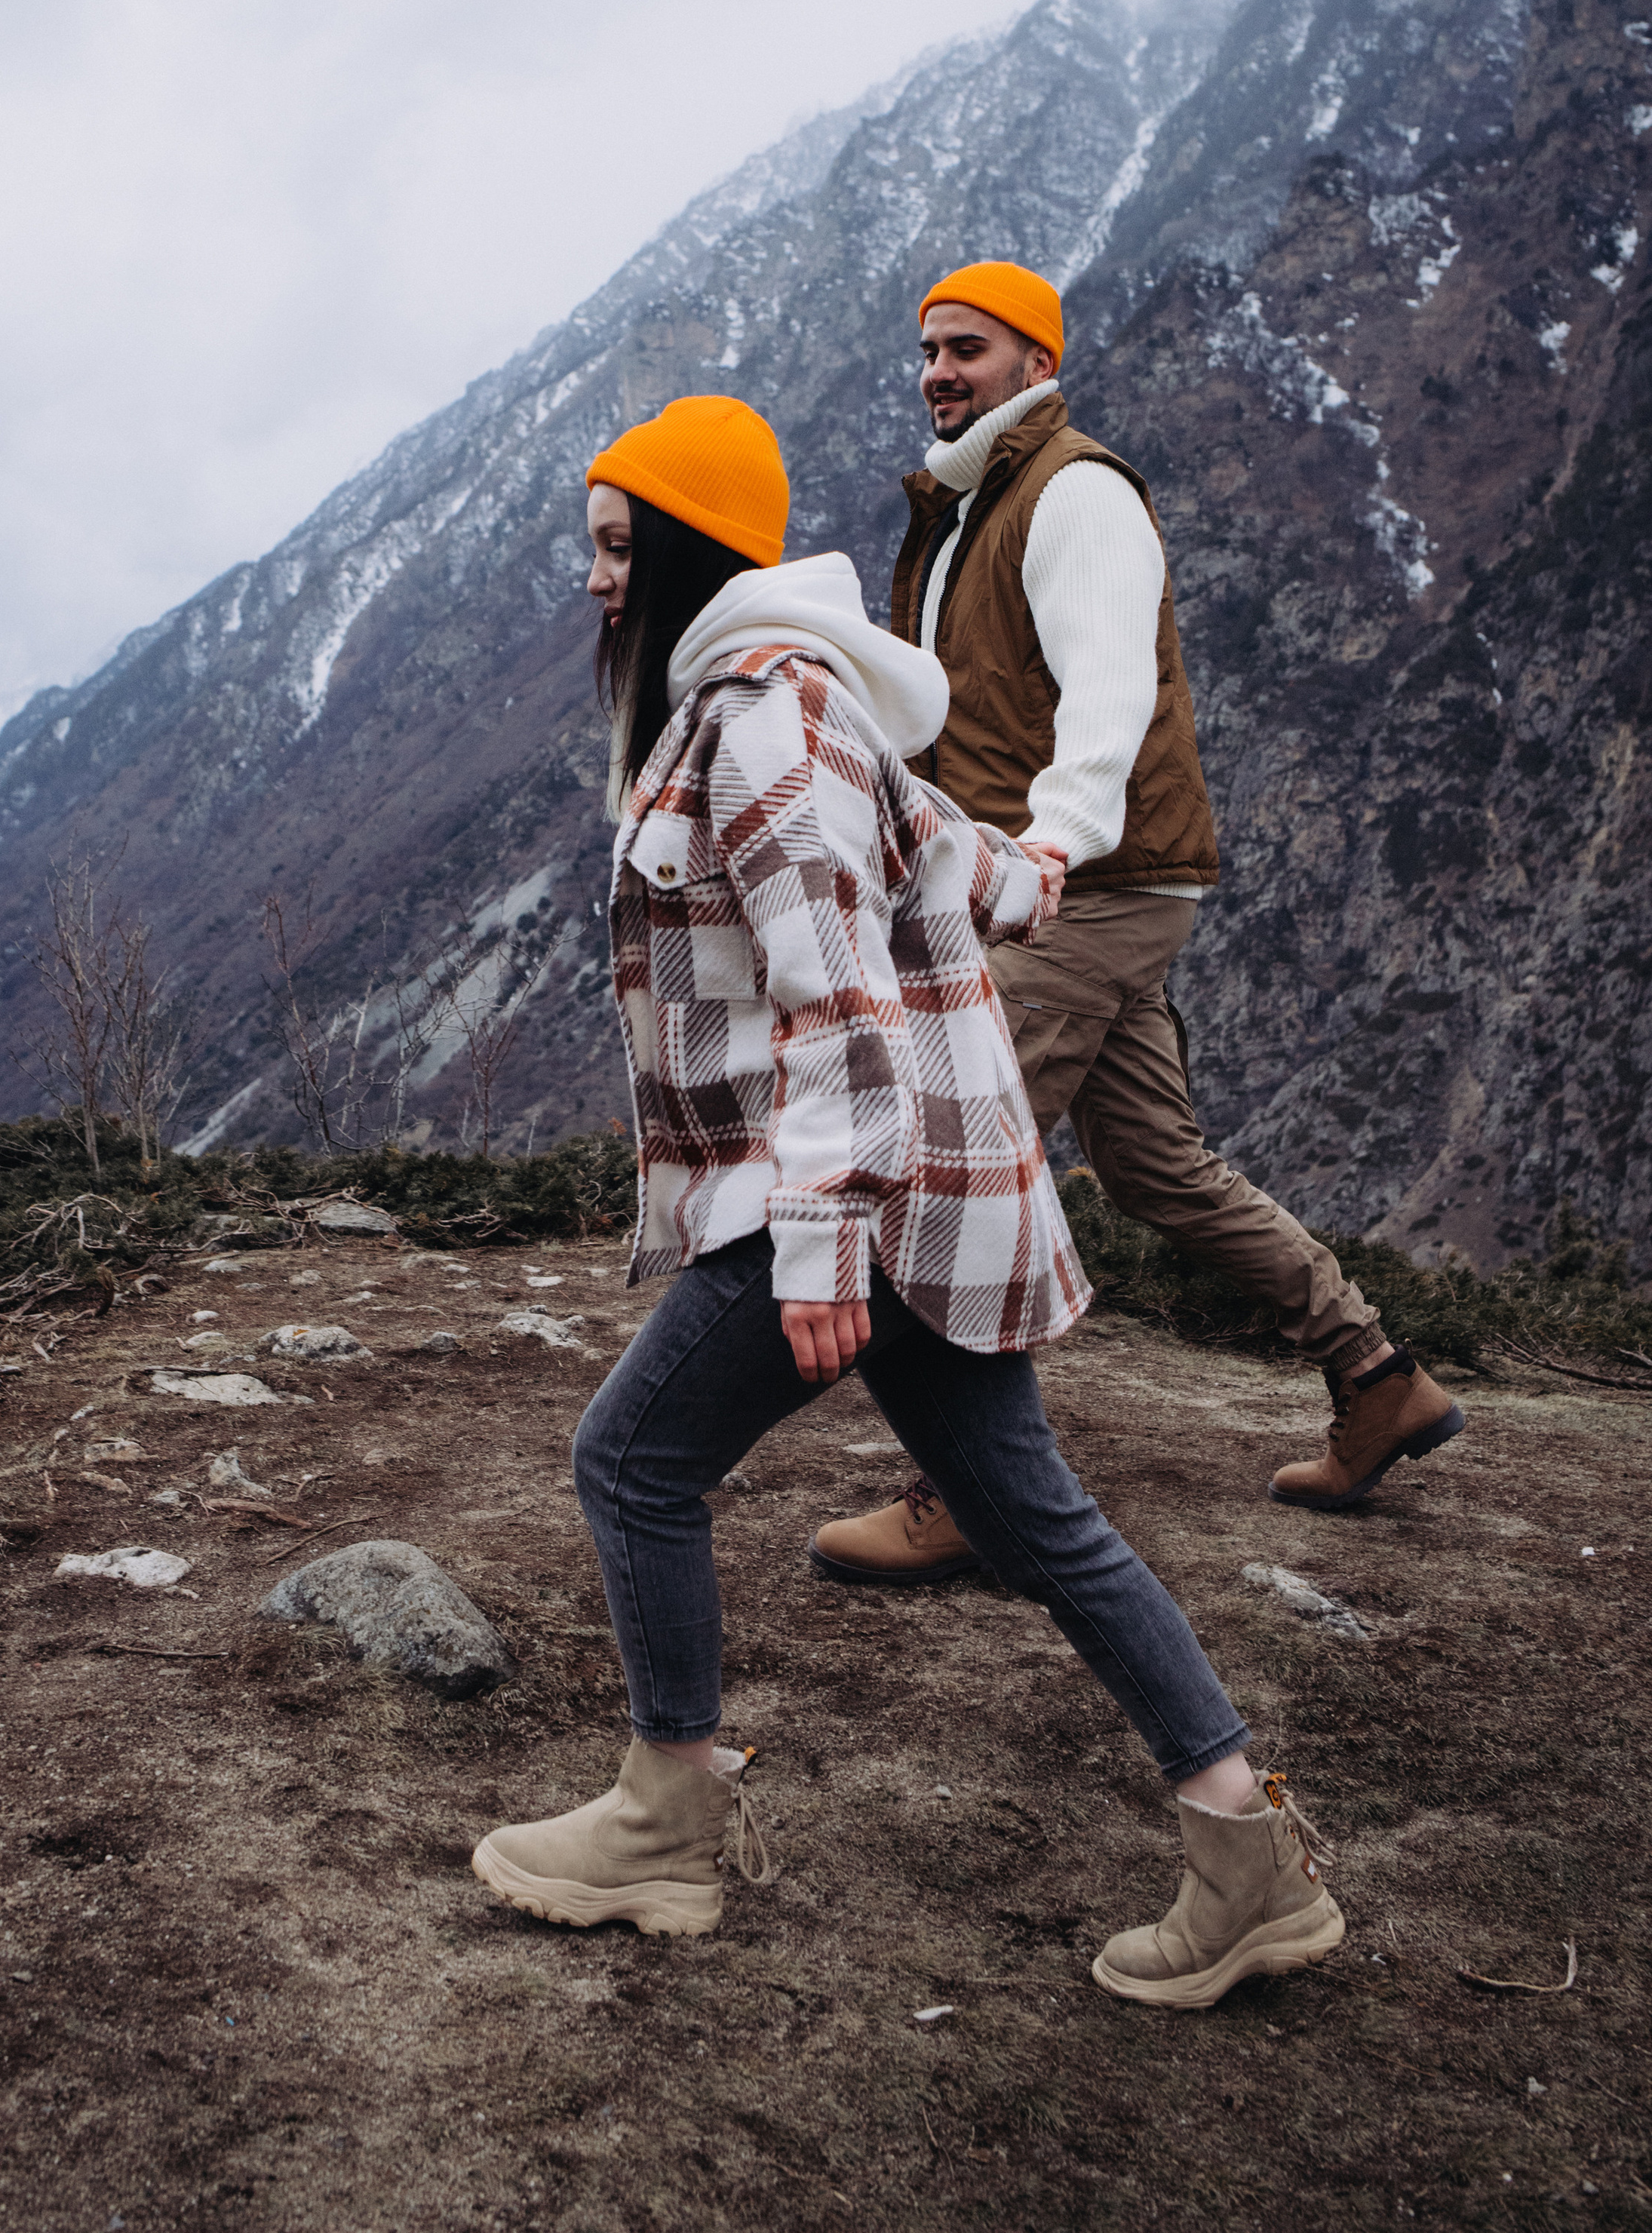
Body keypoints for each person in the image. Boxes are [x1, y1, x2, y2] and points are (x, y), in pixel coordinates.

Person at [470, 393, 1346, 2001]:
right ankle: (1245, 1850)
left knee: (631, 1463)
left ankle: (666, 1824)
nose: (593, 581)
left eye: (611, 549)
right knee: (1030, 1514)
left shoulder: (758, 721)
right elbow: (943, 855)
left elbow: (839, 1011)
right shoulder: (804, 707)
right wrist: (1029, 873)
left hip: (848, 1197)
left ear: (677, 548)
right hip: (920, 1191)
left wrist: (813, 1253)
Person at [809, 260, 1463, 1593]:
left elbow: (1107, 696)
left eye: (969, 350)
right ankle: (1375, 1377)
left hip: (1083, 889)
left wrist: (1049, 850)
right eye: (930, 351)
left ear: (1034, 362)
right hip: (1062, 881)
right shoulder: (969, 504)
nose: (941, 372)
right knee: (1157, 1163)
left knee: (958, 1165)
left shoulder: (1076, 495)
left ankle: (970, 1493)